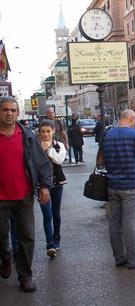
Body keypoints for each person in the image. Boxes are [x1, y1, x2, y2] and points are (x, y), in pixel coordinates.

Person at [0, 96, 53, 292]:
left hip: (23, 196)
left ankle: (25, 276)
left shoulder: (27, 136)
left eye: (13, 110)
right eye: (5, 110)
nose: (9, 114)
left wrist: (45, 186)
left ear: (17, 113)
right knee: (1, 237)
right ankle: (5, 256)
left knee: (27, 237)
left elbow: (42, 163)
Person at [97, 110, 135, 269]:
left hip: (112, 185)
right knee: (130, 223)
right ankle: (134, 260)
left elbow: (100, 160)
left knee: (114, 222)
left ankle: (119, 258)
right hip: (130, 185)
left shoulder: (107, 134)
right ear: (132, 119)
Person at [37, 120, 67, 258]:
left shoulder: (58, 145)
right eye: (43, 131)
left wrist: (48, 150)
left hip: (56, 183)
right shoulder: (35, 146)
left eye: (48, 131)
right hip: (42, 185)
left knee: (55, 213)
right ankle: (50, 244)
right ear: (39, 132)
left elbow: (59, 160)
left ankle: (57, 237)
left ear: (53, 131)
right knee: (47, 215)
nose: (45, 134)